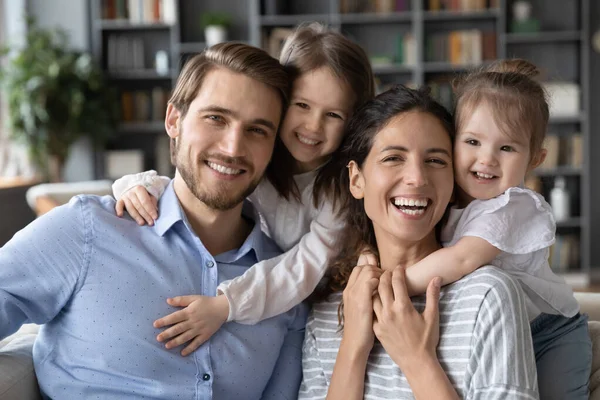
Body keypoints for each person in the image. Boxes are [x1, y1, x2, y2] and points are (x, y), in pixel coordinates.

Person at [0, 42, 308, 399]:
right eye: (216, 118)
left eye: (257, 130)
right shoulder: (88, 229)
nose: (233, 147)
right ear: (174, 120)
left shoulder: (287, 282)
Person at [111, 22, 375, 355]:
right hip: (262, 289)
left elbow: (303, 269)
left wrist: (226, 305)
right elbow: (201, 185)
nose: (313, 126)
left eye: (333, 114)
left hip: (320, 301)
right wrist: (136, 185)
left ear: (353, 123)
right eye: (302, 106)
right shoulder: (258, 154)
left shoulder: (339, 192)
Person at [358, 60, 591, 399]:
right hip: (501, 328)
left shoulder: (514, 207)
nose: (487, 159)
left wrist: (392, 283)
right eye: (472, 142)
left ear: (535, 160)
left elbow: (462, 259)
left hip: (551, 333)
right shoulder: (446, 194)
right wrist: (366, 254)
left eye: (507, 148)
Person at [299, 84, 539, 399]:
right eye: (393, 158)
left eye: (436, 161)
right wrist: (352, 349)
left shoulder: (488, 296)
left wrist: (417, 360)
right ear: (357, 179)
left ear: (453, 184)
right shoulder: (327, 313)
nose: (417, 178)